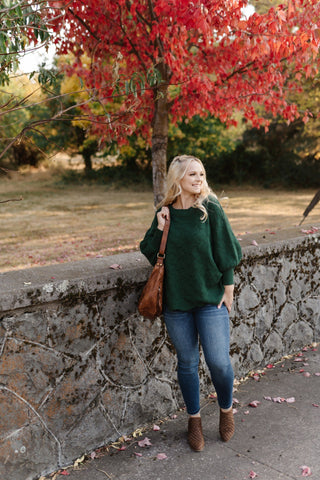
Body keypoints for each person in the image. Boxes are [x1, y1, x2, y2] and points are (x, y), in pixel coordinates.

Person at [140, 155, 242, 452]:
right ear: (178, 180)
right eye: (192, 175)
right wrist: (159, 227)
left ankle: (225, 409)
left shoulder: (209, 208)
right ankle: (194, 420)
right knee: (186, 363)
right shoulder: (166, 212)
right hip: (177, 303)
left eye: (201, 174)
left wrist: (229, 287)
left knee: (219, 362)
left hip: (210, 299)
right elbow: (149, 251)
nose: (198, 179)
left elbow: (226, 249)